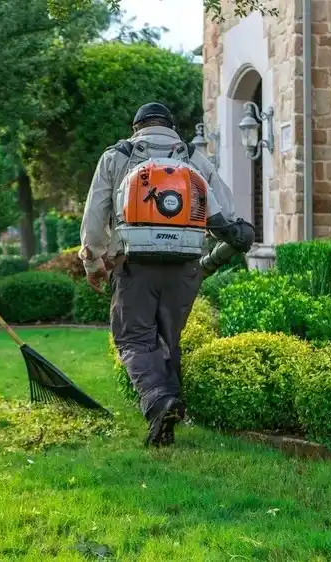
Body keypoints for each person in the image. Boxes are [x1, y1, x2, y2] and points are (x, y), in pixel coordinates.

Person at [79, 102, 254, 447]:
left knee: (134, 339)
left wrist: (93, 262)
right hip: (184, 267)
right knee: (167, 340)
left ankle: (159, 400)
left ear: (137, 127)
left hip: (134, 265)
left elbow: (95, 215)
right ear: (170, 127)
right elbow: (225, 212)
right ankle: (167, 422)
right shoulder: (193, 157)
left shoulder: (117, 157)